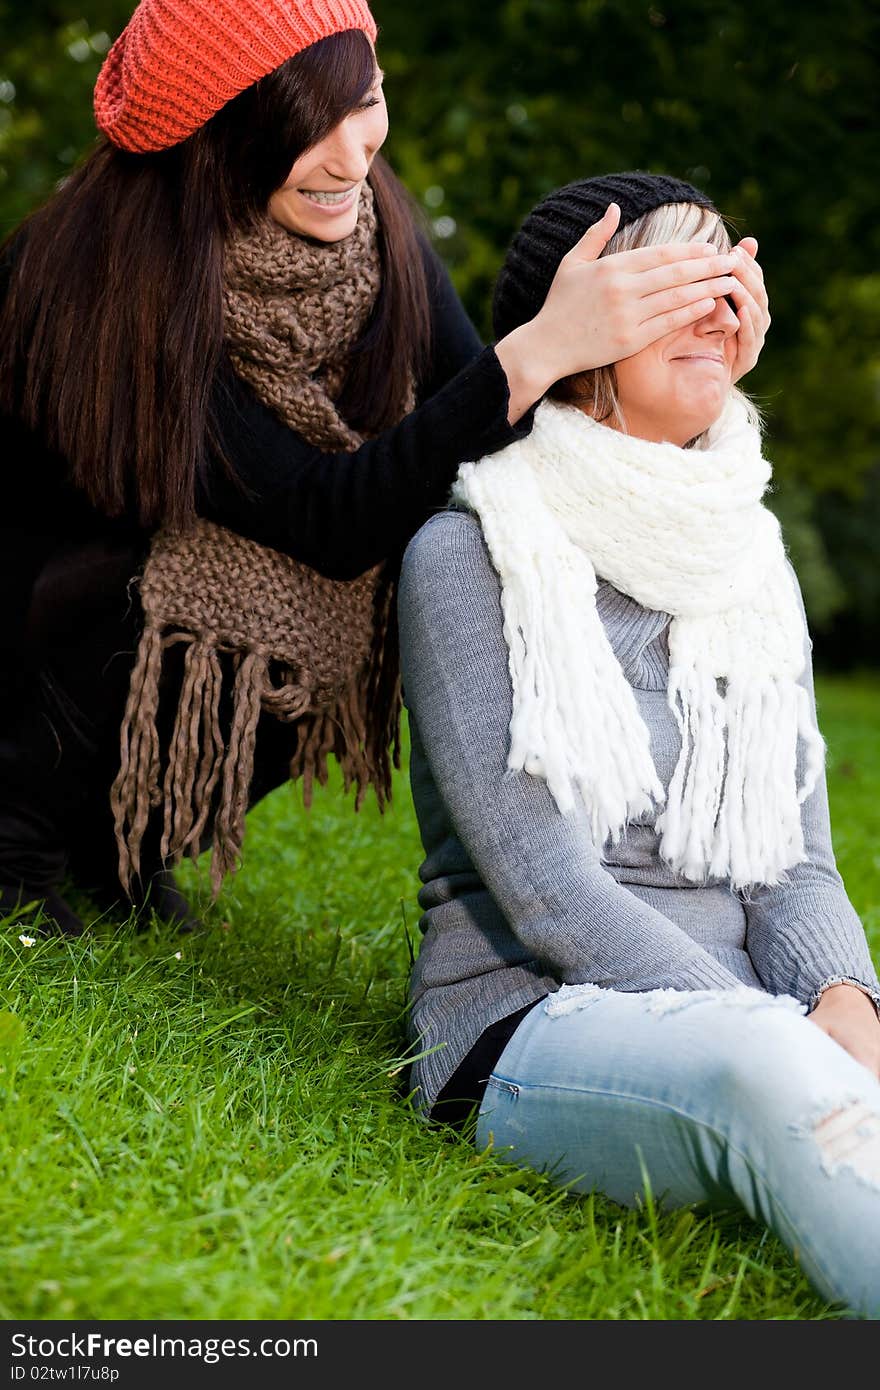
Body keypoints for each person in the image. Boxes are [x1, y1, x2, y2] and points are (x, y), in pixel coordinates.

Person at [0, 3, 761, 938]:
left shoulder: (375, 230)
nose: (350, 158)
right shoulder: (109, 281)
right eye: (299, 130)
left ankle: (126, 845)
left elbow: (495, 443)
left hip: (131, 620)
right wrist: (538, 350)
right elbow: (328, 519)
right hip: (34, 619)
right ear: (211, 141)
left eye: (364, 103)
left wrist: (695, 370)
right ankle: (20, 838)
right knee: (274, 580)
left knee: (417, 568)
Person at [397, 172, 880, 1319]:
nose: (717, 307)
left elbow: (796, 861)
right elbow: (552, 894)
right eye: (674, 280)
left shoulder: (744, 558)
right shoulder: (472, 550)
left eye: (728, 278)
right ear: (584, 325)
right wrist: (792, 1038)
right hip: (533, 1013)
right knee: (766, 1075)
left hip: (755, 998)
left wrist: (846, 1001)